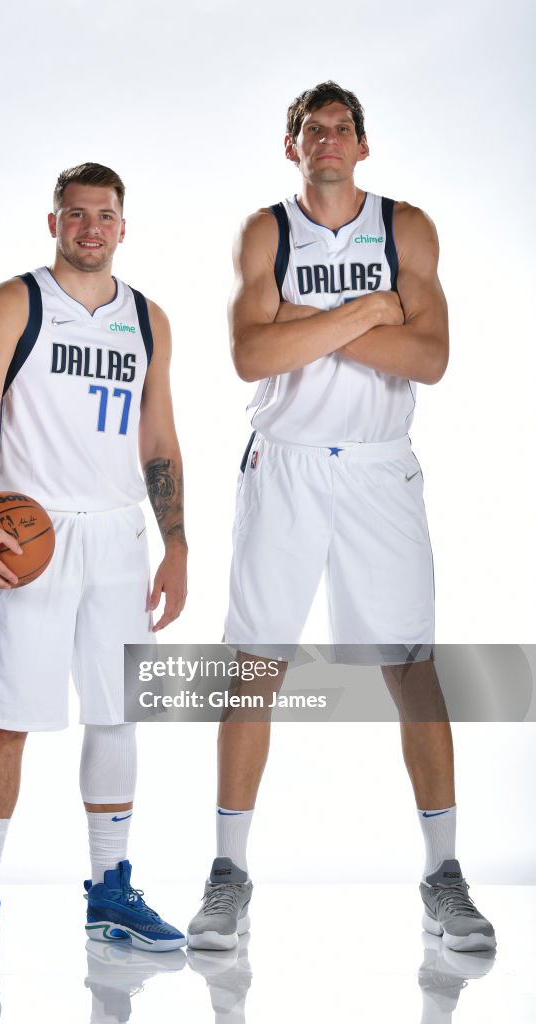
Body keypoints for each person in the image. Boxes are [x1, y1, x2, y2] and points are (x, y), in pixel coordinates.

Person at [187, 83, 496, 954]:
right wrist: (368, 309)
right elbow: (250, 352)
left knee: (410, 664)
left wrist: (304, 321)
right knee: (254, 666)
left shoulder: (405, 226)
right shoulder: (264, 229)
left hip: (374, 468)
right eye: (310, 128)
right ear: (291, 147)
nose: (326, 139)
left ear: (362, 144)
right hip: (281, 465)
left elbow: (429, 358)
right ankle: (228, 875)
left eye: (340, 128)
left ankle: (443, 875)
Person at [0, 162, 188, 973]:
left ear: (123, 227)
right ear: (54, 222)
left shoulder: (148, 319)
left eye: (105, 215)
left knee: (117, 715)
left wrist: (176, 541)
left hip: (120, 538)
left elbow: (158, 438)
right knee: (7, 718)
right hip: (30, 534)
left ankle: (110, 888)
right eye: (75, 214)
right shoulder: (14, 303)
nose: (90, 227)